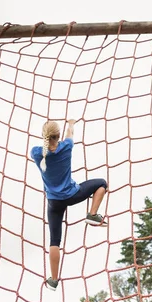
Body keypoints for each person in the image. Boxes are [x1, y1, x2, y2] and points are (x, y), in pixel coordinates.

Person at [30, 119, 108, 291]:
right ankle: (92, 214)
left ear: (43, 137)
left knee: (54, 241)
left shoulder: (36, 153)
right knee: (102, 183)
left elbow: (48, 147)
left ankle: (54, 280)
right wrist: (71, 124)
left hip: (54, 203)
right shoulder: (66, 147)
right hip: (73, 195)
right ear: (58, 136)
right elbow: (69, 135)